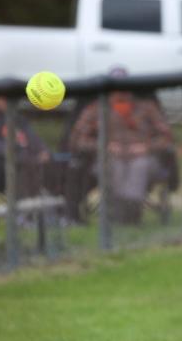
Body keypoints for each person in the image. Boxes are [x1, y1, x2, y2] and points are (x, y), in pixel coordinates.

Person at [68, 68, 174, 224]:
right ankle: (121, 213)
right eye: (116, 86)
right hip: (108, 159)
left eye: (124, 86)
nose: (121, 91)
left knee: (139, 165)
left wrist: (146, 147)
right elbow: (77, 140)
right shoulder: (96, 109)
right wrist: (104, 147)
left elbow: (167, 137)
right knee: (113, 165)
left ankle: (130, 212)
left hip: (144, 159)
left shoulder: (147, 107)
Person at [0, 96, 51, 197]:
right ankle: (27, 207)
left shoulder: (17, 118)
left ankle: (59, 205)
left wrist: (44, 151)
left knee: (54, 163)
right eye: (5, 98)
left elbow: (34, 139)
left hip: (26, 163)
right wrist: (30, 158)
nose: (11, 101)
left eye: (13, 98)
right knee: (23, 168)